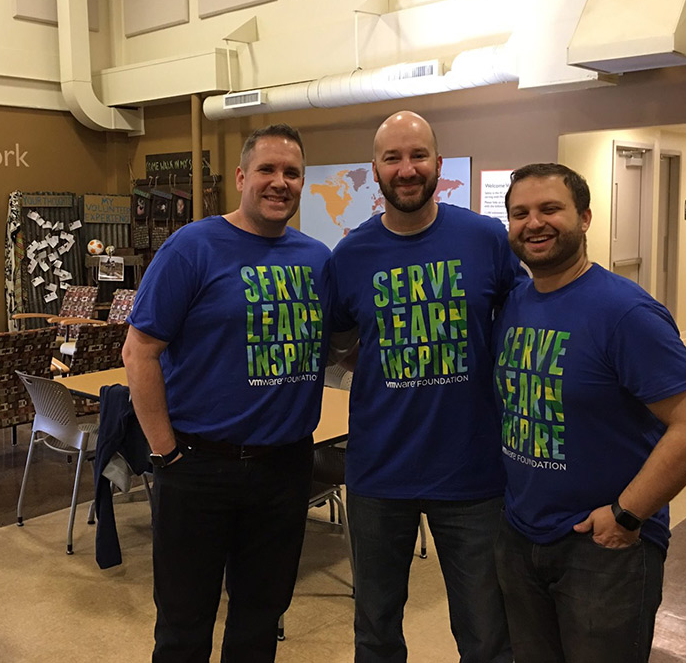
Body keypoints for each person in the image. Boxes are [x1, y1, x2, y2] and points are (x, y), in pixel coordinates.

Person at [494, 163, 686, 662]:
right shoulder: (515, 304)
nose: (534, 223)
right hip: (521, 534)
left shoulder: (625, 312)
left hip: (602, 549)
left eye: (550, 209)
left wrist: (625, 514)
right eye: (520, 213)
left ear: (585, 217)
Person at [122, 123, 330, 663]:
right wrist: (166, 454)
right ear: (241, 177)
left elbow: (337, 344)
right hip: (197, 467)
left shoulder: (317, 260)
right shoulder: (191, 247)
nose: (279, 181)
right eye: (267, 169)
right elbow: (138, 352)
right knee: (183, 625)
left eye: (291, 173)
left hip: (284, 468)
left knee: (260, 620)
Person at [329, 110, 521, 662]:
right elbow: (338, 343)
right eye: (392, 158)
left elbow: (524, 324)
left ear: (438, 163)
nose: (406, 169)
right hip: (378, 473)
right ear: (375, 170)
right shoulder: (351, 255)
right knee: (376, 634)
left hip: (473, 472)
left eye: (417, 156)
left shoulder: (486, 239)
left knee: (487, 636)